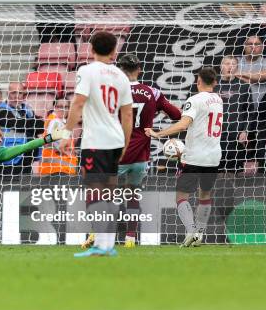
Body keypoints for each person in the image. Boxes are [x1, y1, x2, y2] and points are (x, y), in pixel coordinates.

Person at [63, 31, 133, 257]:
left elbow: (78, 103)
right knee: (110, 193)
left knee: (94, 193)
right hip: (115, 140)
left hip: (95, 141)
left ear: (91, 49)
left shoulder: (87, 71)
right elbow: (128, 115)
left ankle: (101, 245)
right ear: (114, 51)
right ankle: (107, 245)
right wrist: (125, 143)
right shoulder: (122, 76)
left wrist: (66, 132)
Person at [107, 54, 181, 248]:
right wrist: (156, 116)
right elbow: (177, 115)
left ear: (119, 70)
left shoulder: (112, 92)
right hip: (141, 156)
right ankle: (130, 238)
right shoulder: (153, 93)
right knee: (132, 195)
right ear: (139, 68)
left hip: (118, 154)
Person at [146, 67, 223, 247]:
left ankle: (191, 230)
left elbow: (183, 124)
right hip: (213, 156)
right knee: (205, 195)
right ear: (215, 82)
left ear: (198, 81)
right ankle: (200, 235)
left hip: (194, 156)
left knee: (181, 195)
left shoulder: (194, 100)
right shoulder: (218, 99)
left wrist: (158, 134)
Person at [0, 82, 45, 175]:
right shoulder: (1, 110)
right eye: (13, 93)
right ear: (8, 93)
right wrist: (31, 123)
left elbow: (41, 126)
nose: (17, 96)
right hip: (8, 163)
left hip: (27, 162)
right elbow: (15, 123)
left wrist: (26, 124)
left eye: (20, 93)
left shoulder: (27, 109)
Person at [216, 56, 254, 173]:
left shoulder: (244, 86)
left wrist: (245, 131)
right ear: (221, 66)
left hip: (236, 136)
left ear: (237, 67)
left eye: (233, 64)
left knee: (232, 172)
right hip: (214, 135)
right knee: (213, 171)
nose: (230, 67)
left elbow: (250, 111)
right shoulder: (213, 85)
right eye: (227, 63)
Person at [37, 96, 78, 176]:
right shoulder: (55, 121)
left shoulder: (59, 121)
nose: (63, 109)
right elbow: (50, 139)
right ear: (55, 107)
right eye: (60, 106)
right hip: (57, 170)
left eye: (66, 107)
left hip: (58, 169)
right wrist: (65, 149)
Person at [236, 35, 266, 107]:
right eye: (250, 44)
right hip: (237, 110)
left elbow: (260, 76)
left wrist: (237, 74)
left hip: (263, 111)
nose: (253, 47)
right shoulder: (235, 61)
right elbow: (226, 76)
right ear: (244, 46)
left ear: (262, 47)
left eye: (257, 44)